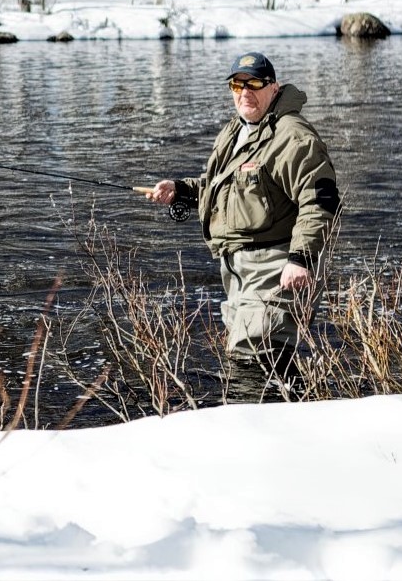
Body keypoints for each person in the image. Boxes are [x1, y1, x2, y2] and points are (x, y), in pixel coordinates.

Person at [146, 51, 340, 386]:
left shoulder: (292, 136)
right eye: (237, 84)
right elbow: (228, 187)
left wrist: (301, 258)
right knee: (256, 365)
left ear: (273, 88)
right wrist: (181, 190)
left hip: (275, 268)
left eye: (254, 84)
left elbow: (320, 197)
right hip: (237, 273)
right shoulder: (236, 131)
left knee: (253, 364)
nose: (244, 92)